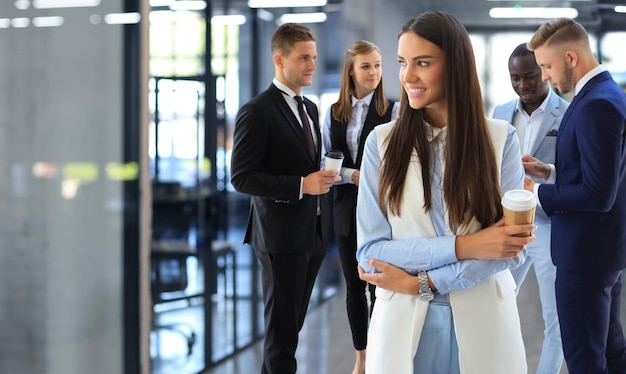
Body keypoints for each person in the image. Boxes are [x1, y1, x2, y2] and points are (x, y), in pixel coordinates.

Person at [355, 11, 535, 374]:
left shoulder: (502, 140)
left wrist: (421, 282)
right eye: (403, 63)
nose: (408, 76)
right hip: (402, 323)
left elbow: (510, 250)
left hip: (484, 318)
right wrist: (467, 246)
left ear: (455, 66)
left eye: (422, 63)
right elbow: (371, 253)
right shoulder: (382, 143)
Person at [230, 23, 340, 374]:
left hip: (312, 233)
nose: (312, 65)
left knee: (288, 334)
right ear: (280, 60)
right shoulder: (257, 111)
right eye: (303, 58)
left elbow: (304, 162)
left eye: (314, 58)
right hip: (279, 239)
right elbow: (242, 177)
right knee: (281, 339)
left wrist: (322, 176)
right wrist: (300, 185)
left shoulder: (309, 107)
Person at [524, 18, 626, 373]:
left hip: (585, 258)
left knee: (584, 359)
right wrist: (548, 171)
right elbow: (603, 174)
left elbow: (599, 195)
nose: (546, 77)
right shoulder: (606, 94)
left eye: (546, 67)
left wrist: (536, 193)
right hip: (602, 254)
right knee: (610, 353)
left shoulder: (596, 104)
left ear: (570, 57)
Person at [321, 39, 400, 374]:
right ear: (351, 71)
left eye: (378, 65)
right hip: (344, 207)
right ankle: (362, 359)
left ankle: (382, 352)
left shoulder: (394, 109)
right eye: (366, 66)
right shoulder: (334, 113)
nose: (374, 73)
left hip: (381, 208)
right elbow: (326, 165)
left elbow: (396, 164)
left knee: (380, 284)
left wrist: (349, 174)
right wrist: (353, 175)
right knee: (355, 286)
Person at [492, 42, 569, 374]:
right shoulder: (499, 112)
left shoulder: (567, 114)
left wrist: (539, 185)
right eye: (515, 78)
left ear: (545, 73)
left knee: (556, 319)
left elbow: (577, 175)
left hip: (550, 227)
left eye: (529, 76)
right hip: (506, 226)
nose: (522, 85)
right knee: (495, 305)